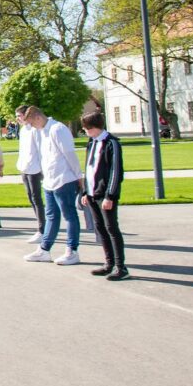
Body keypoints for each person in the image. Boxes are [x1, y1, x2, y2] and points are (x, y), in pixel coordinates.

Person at [22, 106, 84, 266]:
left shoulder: (58, 129)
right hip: (49, 181)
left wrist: (79, 176)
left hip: (64, 179)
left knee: (69, 215)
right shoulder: (42, 132)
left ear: (38, 117)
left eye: (31, 123)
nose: (31, 127)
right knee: (51, 216)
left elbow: (69, 154)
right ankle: (44, 249)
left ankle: (72, 251)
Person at [80, 112, 129, 280]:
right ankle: (109, 263)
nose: (85, 131)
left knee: (111, 228)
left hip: (105, 194)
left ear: (94, 127)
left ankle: (121, 267)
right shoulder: (92, 142)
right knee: (100, 228)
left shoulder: (111, 143)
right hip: (92, 193)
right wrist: (85, 191)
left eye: (86, 128)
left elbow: (116, 171)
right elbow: (89, 168)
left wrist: (110, 196)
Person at [15, 105, 45, 244]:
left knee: (36, 198)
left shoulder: (35, 130)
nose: (18, 119)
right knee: (31, 198)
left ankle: (42, 229)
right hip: (25, 168)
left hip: (34, 168)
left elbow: (40, 150)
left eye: (19, 116)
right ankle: (41, 226)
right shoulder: (23, 131)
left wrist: (42, 169)